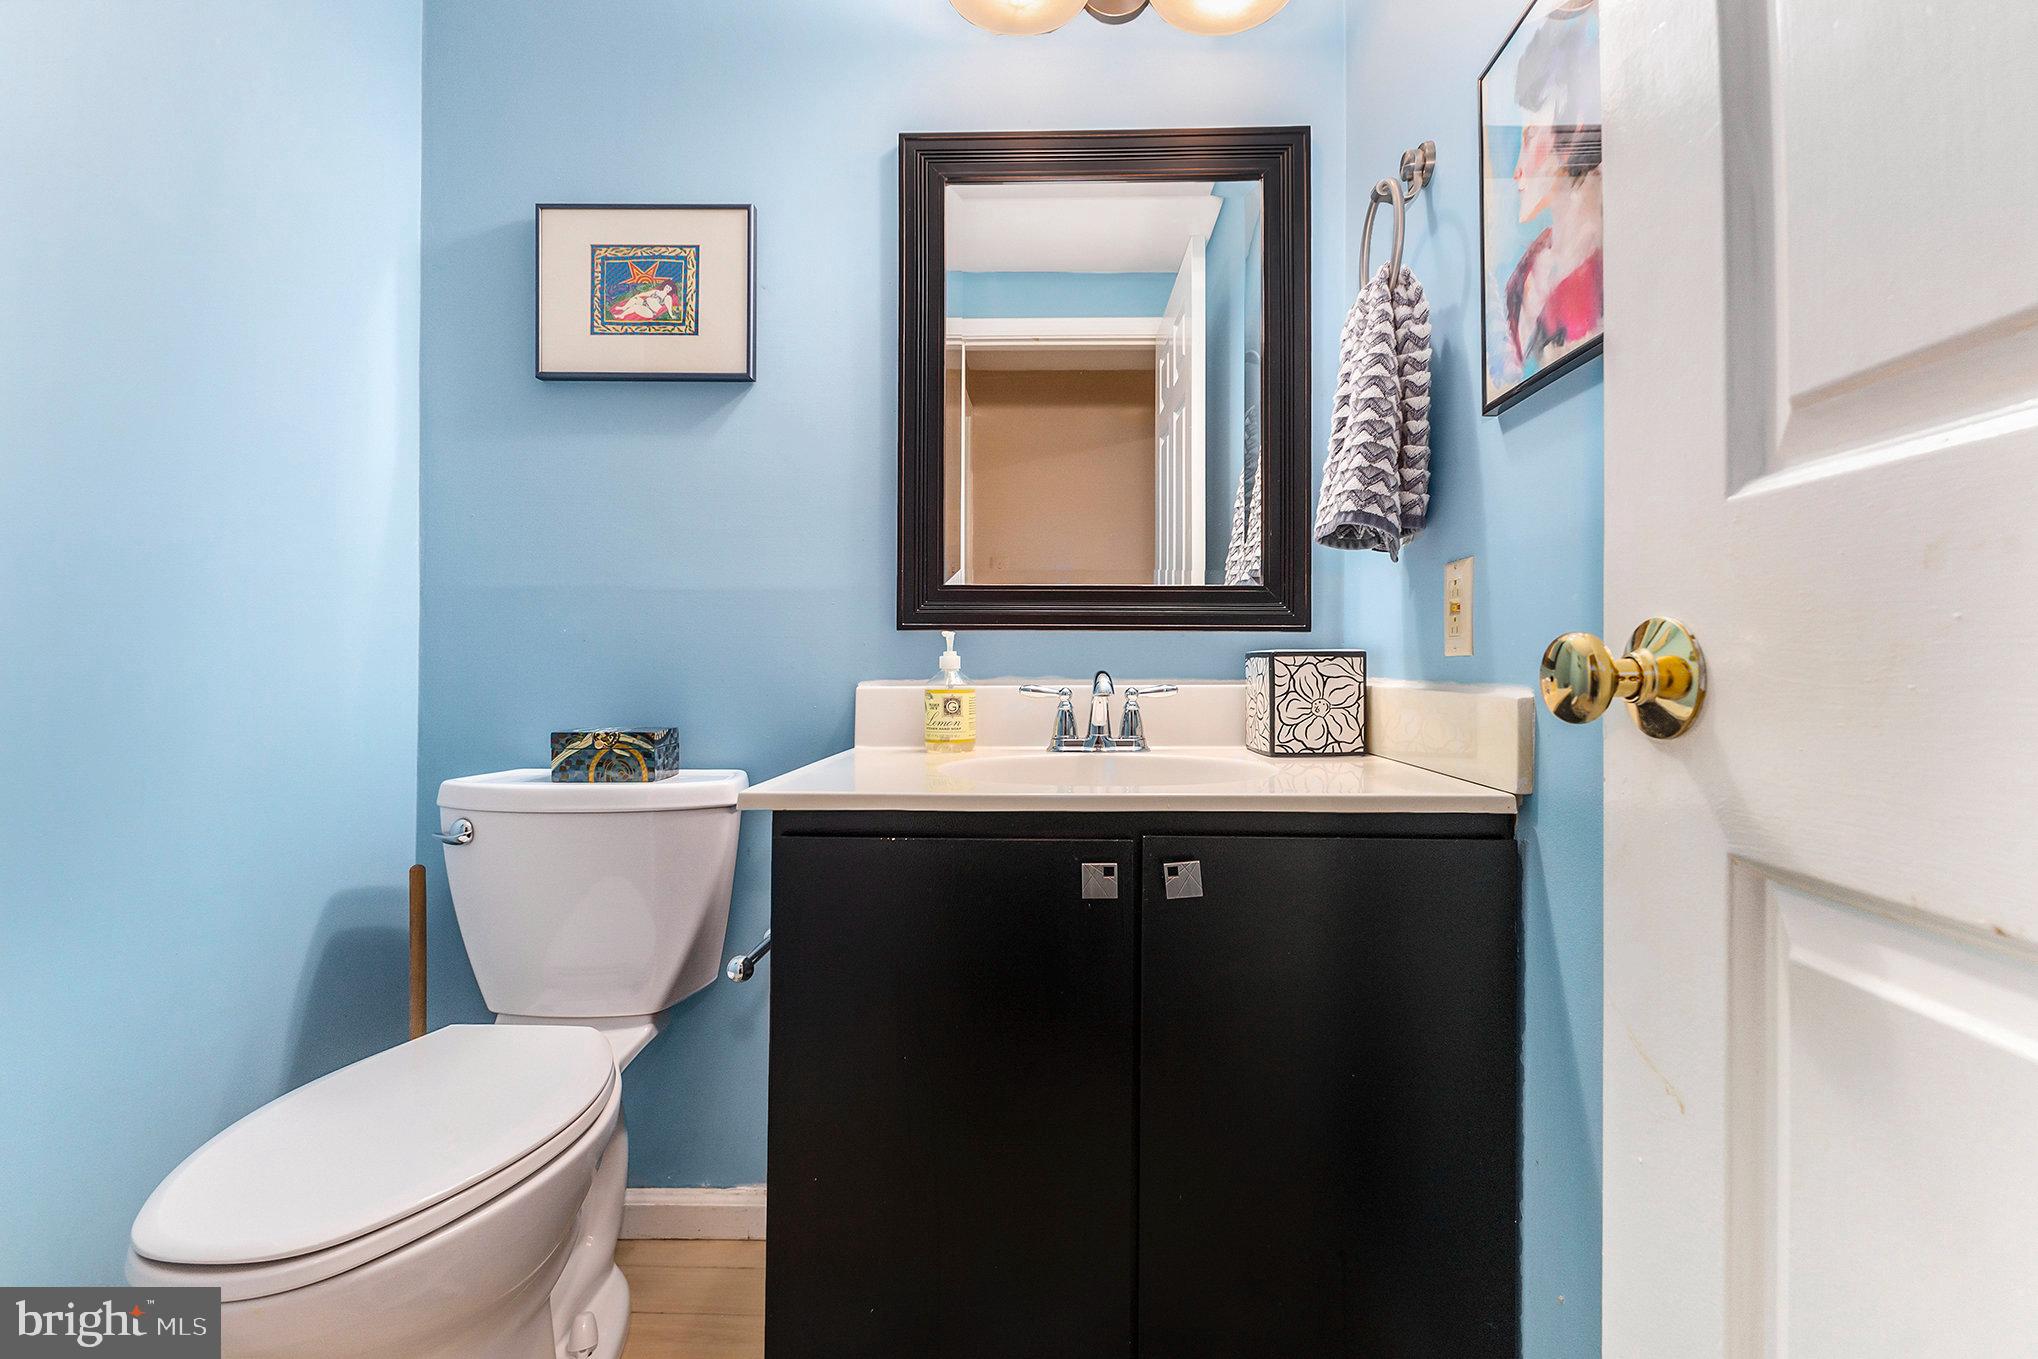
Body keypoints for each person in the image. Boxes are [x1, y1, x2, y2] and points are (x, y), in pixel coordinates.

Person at [1502, 0, 1602, 379]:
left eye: (1529, 137)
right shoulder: (1522, 281)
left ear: (1577, 126)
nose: (1516, 172)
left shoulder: (1601, 277)